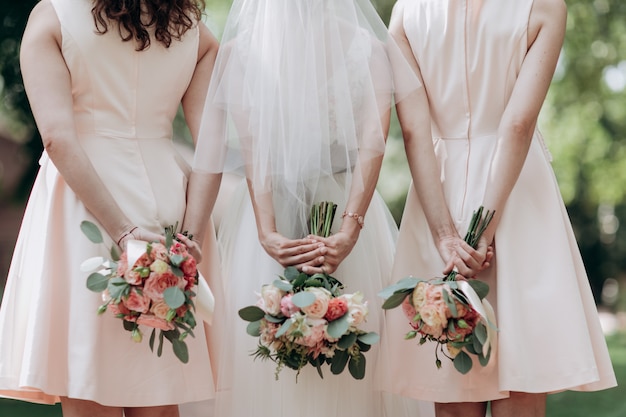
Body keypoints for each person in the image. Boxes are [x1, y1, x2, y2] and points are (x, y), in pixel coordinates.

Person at [185, 0, 434, 416]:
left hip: (320, 220)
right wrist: (284, 233)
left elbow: (374, 141)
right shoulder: (363, 48)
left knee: (347, 353)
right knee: (278, 358)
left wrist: (297, 232)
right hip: (318, 217)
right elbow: (256, 148)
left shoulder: (369, 49)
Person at [380, 0, 617, 416]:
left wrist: (446, 236)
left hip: (439, 192)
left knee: (452, 385)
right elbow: (516, 125)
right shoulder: (544, 7)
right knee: (521, 386)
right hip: (517, 195)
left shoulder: (406, 12)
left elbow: (414, 130)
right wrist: (483, 231)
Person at [0, 0, 221, 416]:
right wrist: (190, 237)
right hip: (167, 204)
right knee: (158, 388)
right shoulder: (192, 28)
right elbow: (212, 149)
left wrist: (122, 231)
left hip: (84, 207)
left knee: (88, 385)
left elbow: (58, 139)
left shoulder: (53, 16)